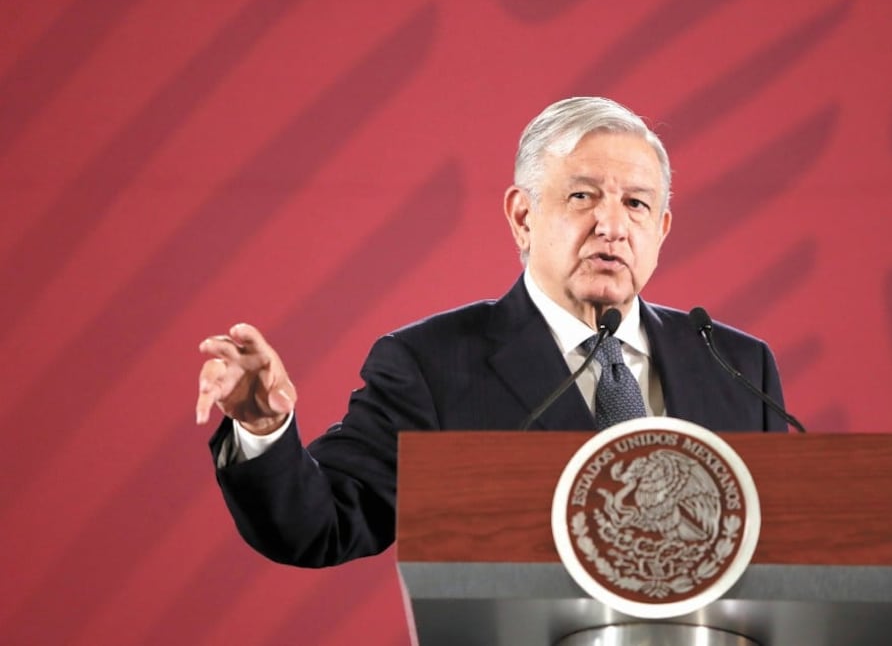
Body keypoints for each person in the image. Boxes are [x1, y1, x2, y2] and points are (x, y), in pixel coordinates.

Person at [196, 97, 788, 568]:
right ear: (523, 216)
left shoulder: (736, 366)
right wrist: (263, 431)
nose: (612, 225)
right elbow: (322, 524)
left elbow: (785, 554)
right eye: (583, 196)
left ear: (660, 229)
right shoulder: (431, 364)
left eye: (636, 204)